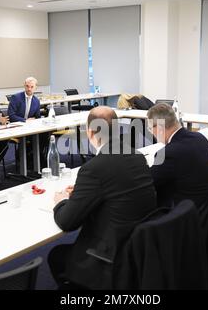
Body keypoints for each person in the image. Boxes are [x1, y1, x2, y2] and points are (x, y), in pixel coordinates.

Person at [48, 106, 157, 290]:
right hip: (138, 248)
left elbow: (67, 222)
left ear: (90, 132)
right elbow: (117, 186)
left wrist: (61, 201)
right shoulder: (136, 155)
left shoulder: (94, 168)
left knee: (56, 256)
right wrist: (85, 191)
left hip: (109, 256)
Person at [147, 103, 208, 208]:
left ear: (159, 127)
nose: (151, 132)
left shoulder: (168, 154)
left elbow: (148, 183)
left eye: (150, 128)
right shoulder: (200, 138)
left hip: (189, 214)